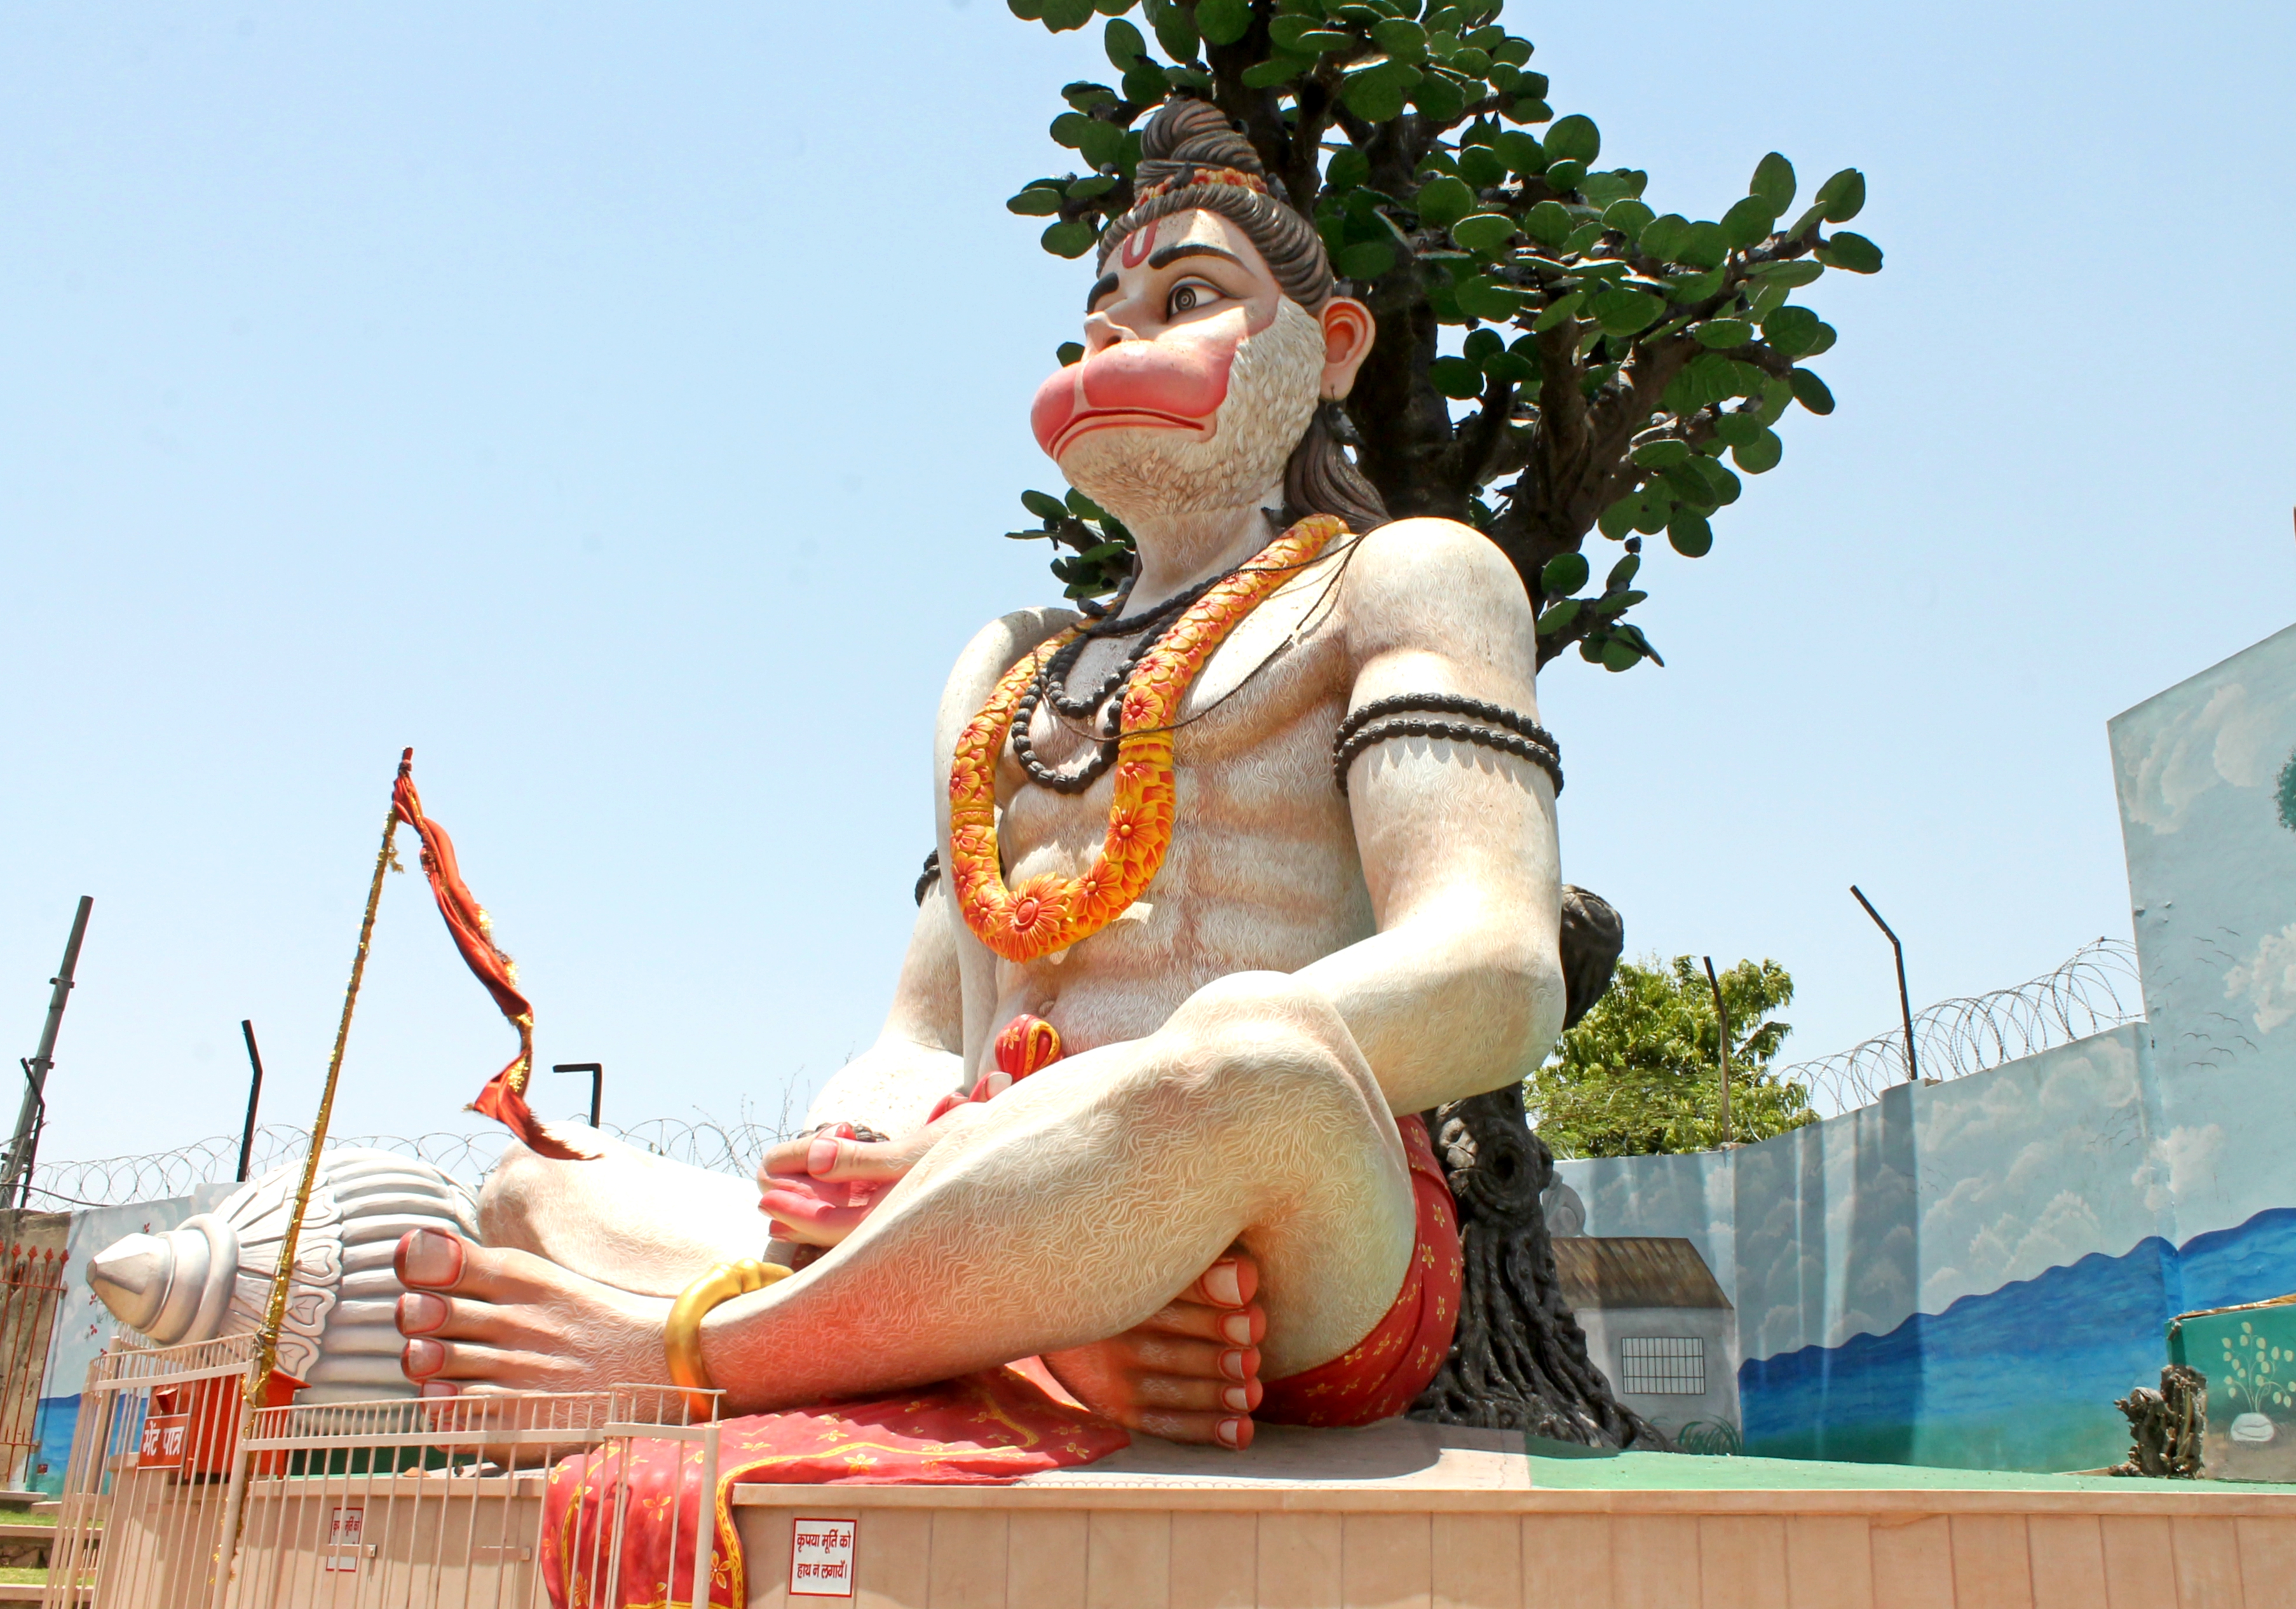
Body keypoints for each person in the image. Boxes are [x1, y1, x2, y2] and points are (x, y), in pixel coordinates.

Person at [393, 97, 1566, 1451]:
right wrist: (848, 1156)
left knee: (1252, 1054)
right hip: (985, 1204)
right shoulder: (1009, 664)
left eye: (1189, 297)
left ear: (1332, 348)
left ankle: (707, 1355)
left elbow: (1493, 970)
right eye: (1102, 315)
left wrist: (1030, 1130)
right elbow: (918, 1033)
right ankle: (1061, 1336)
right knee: (538, 1198)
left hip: (1288, 1219)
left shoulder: (1402, 578)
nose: (1120, 336)